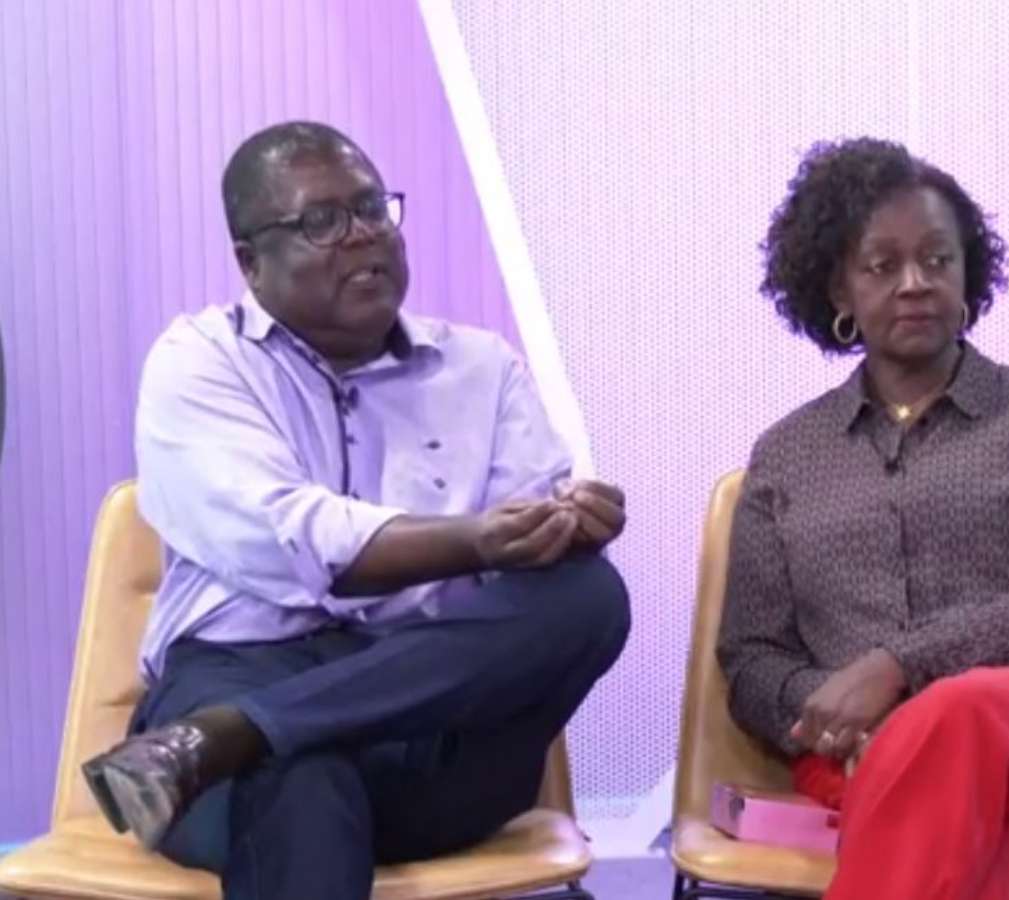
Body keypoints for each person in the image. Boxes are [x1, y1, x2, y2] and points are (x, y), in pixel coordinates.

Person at [81, 121, 630, 900]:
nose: (364, 234)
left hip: (425, 715)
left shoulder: (481, 367)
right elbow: (290, 538)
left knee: (589, 594)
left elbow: (525, 541)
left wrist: (562, 530)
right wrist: (476, 540)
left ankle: (241, 732)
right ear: (250, 262)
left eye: (372, 209)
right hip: (242, 671)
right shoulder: (201, 361)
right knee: (300, 777)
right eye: (321, 221)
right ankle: (257, 732)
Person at [717, 137, 1009, 900]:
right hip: (865, 751)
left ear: (967, 274)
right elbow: (752, 658)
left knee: (953, 720)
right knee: (987, 850)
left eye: (937, 260)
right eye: (882, 266)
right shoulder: (785, 457)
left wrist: (897, 671)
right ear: (839, 289)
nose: (915, 283)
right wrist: (838, 716)